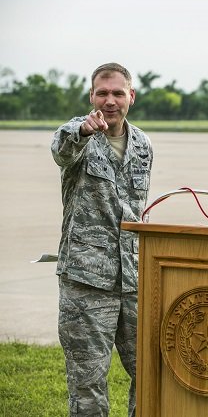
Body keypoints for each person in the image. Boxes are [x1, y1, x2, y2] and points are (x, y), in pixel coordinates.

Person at [51, 62, 153, 416]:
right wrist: (82, 131)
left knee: (151, 374)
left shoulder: (143, 144)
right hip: (86, 283)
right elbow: (61, 150)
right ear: (92, 96)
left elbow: (136, 207)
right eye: (102, 93)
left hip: (134, 281)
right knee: (88, 383)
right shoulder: (77, 132)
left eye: (118, 93)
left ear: (131, 96)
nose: (110, 101)